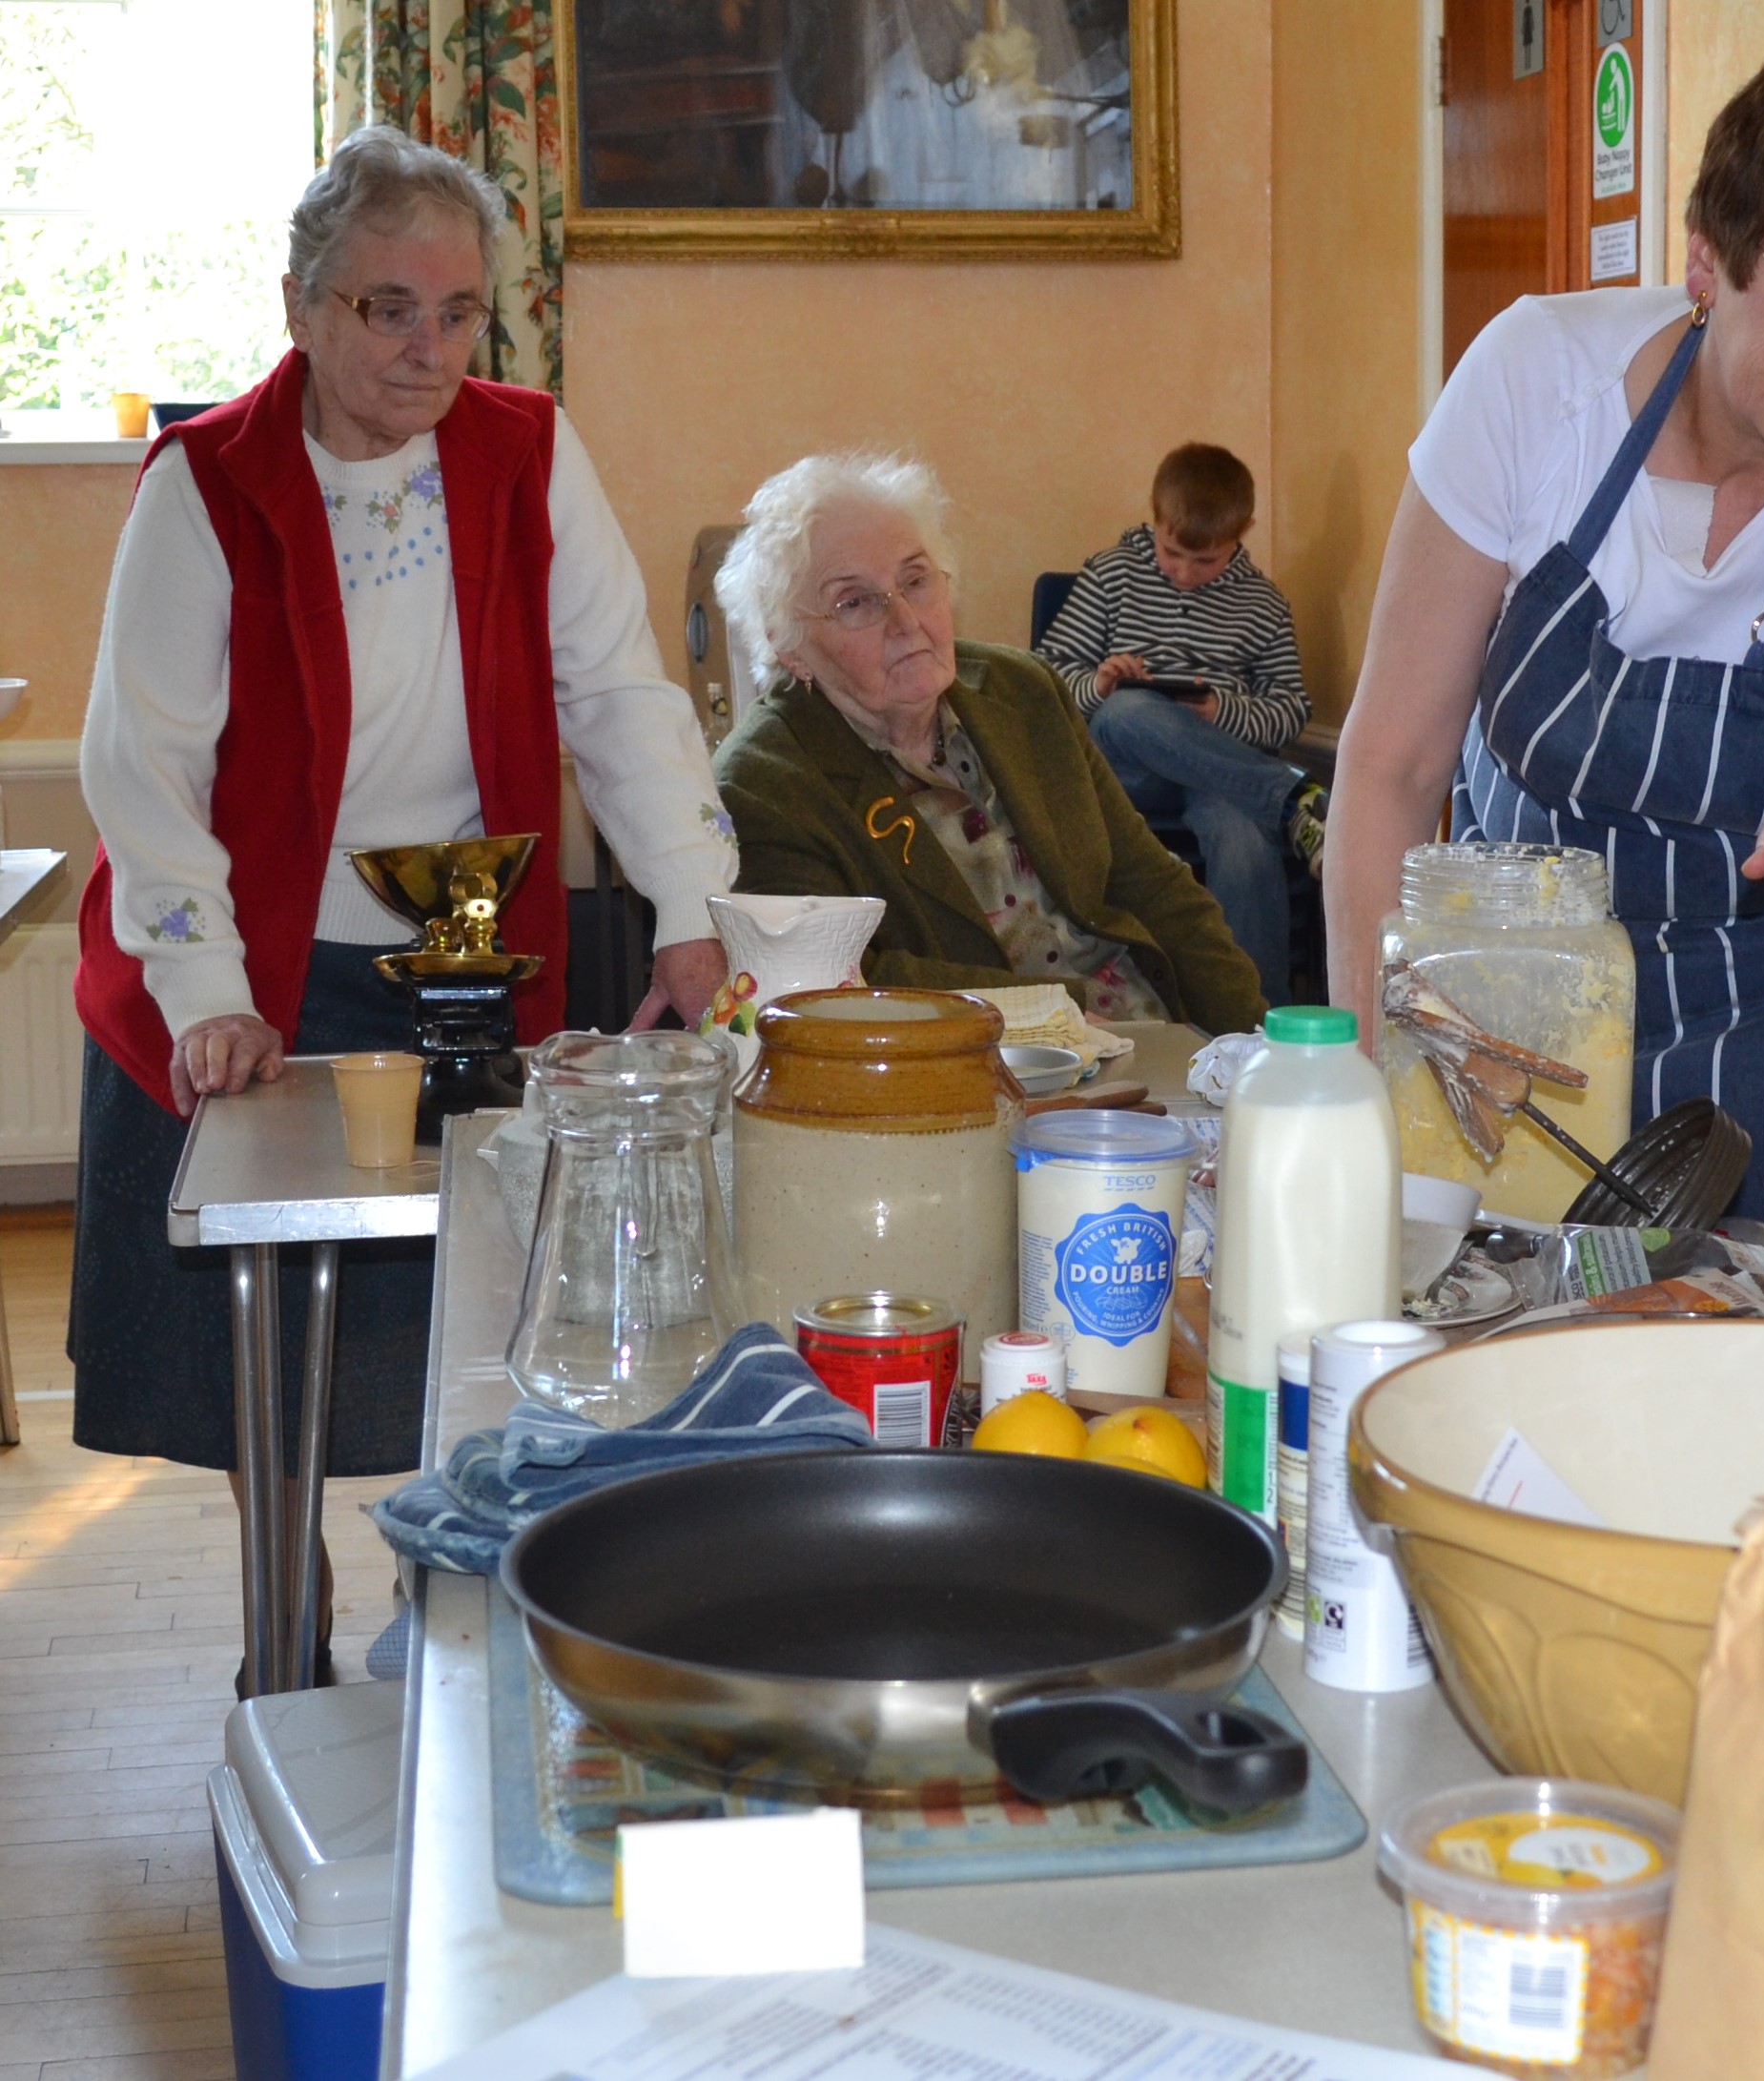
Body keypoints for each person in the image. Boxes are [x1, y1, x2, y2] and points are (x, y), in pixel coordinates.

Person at [70, 127, 736, 1628]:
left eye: (458, 312)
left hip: (460, 913)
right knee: (267, 1319)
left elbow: (620, 696)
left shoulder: (529, 448)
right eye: (388, 308)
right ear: (303, 305)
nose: (428, 347)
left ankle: (440, 1594)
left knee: (466, 1293)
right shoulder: (206, 482)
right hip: (253, 928)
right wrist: (208, 994)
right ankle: (280, 1597)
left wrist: (693, 913)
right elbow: (144, 768)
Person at [1325, 28, 1764, 1324]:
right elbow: (1388, 766)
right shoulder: (1538, 380)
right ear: (1706, 257)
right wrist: (1370, 1085)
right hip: (1512, 1049)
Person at [711, 451, 1266, 1035]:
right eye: (854, 601)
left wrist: (1261, 1046)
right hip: (983, 1069)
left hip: (1153, 1033)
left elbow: (1152, 885)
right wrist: (1072, 1014)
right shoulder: (764, 784)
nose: (907, 621)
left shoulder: (1024, 691)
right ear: (787, 645)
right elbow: (841, 990)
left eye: (916, 580)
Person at [1037, 443, 1326, 1000]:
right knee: (1128, 709)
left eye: (1207, 561)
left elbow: (1291, 709)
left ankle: (1253, 1019)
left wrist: (1220, 710)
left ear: (1243, 531)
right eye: (1173, 553)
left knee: (1243, 836)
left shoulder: (1263, 603)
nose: (1185, 573)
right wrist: (1100, 684)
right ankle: (1293, 802)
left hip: (1217, 772)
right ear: (1155, 519)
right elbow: (1045, 681)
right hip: (1124, 769)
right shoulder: (1109, 575)